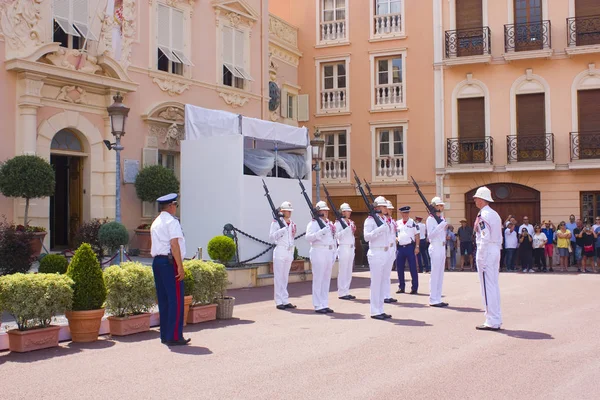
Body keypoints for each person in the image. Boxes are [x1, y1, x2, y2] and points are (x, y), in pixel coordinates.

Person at [150, 193, 190, 346]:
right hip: (169, 262)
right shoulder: (171, 222)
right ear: (171, 205)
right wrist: (180, 266)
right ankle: (174, 336)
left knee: (164, 299)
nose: (176, 208)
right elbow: (174, 244)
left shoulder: (156, 222)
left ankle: (165, 335)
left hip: (158, 261)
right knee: (175, 299)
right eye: (175, 205)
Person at [473, 186, 503, 331]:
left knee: (487, 286)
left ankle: (491, 319)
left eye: (476, 198)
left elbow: (485, 237)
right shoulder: (494, 214)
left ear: (482, 199)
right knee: (493, 285)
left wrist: (481, 255)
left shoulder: (483, 215)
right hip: (495, 249)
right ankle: (495, 317)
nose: (475, 200)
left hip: (487, 250)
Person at [364, 196, 393, 320]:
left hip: (385, 252)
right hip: (376, 252)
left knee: (382, 282)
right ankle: (374, 310)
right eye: (384, 206)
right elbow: (366, 237)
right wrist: (379, 230)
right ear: (377, 208)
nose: (386, 208)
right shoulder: (370, 221)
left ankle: (380, 308)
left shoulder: (385, 219)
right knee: (376, 283)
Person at [306, 201, 337, 314]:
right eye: (324, 210)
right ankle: (317, 304)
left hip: (328, 251)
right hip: (318, 250)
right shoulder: (313, 223)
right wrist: (320, 233)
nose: (326, 212)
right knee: (318, 278)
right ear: (319, 212)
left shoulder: (329, 223)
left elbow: (333, 238)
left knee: (326, 279)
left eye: (327, 210)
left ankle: (324, 303)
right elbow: (308, 237)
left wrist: (334, 252)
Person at [269, 201, 298, 310]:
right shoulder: (276, 222)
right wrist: (281, 231)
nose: (289, 213)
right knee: (278, 277)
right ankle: (278, 301)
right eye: (287, 211)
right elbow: (271, 237)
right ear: (282, 211)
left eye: (290, 211)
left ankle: (285, 300)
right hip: (280, 250)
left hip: (289, 251)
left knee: (285, 277)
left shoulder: (292, 223)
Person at [426, 196, 448, 308]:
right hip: (435, 246)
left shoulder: (442, 218)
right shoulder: (430, 219)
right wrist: (440, 226)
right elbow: (430, 235)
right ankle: (433, 299)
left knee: (440, 274)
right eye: (440, 205)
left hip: (442, 247)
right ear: (435, 206)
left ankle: (438, 297)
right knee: (435, 273)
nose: (442, 207)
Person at [395, 206, 420, 294]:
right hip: (400, 248)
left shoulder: (413, 223)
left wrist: (417, 246)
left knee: (413, 268)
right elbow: (394, 233)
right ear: (401, 213)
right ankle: (401, 287)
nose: (406, 214)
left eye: (407, 213)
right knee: (400, 268)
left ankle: (414, 288)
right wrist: (396, 238)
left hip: (410, 247)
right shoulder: (397, 223)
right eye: (404, 213)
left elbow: (417, 235)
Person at [335, 203, 356, 300]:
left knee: (348, 270)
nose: (350, 212)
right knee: (343, 270)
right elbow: (336, 236)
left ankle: (346, 290)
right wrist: (345, 231)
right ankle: (341, 292)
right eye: (348, 211)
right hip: (343, 247)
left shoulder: (350, 222)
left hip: (351, 247)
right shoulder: (338, 223)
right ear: (343, 212)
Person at [383, 200, 398, 304]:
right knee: (383, 273)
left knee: (388, 274)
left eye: (392, 209)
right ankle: (383, 295)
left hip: (392, 248)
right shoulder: (382, 220)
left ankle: (387, 294)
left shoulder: (392, 221)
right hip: (385, 248)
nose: (391, 210)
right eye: (389, 209)